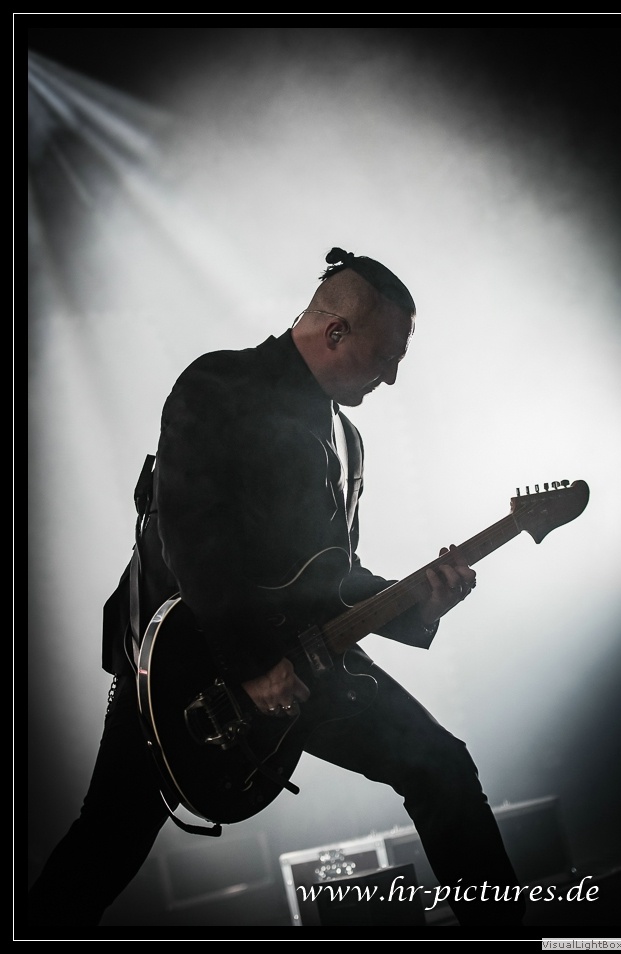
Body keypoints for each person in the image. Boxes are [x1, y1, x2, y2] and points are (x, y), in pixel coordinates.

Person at [27, 247, 526, 928]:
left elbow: (331, 578)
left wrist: (420, 606)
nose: (391, 376)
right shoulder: (220, 384)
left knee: (440, 767)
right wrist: (253, 663)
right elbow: (190, 538)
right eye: (385, 357)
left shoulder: (347, 439)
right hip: (185, 662)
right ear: (335, 331)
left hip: (308, 653)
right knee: (107, 842)